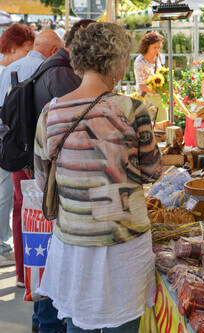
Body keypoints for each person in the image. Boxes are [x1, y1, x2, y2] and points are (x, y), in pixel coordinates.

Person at [34, 22, 162, 332]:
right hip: (123, 242)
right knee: (124, 325)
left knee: (78, 324)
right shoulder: (131, 109)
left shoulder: (50, 113)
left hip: (73, 241)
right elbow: (152, 171)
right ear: (118, 64)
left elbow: (42, 181)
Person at [30, 19, 93, 333]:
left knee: (55, 262)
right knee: (61, 265)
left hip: (56, 189)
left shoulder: (54, 67)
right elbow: (80, 137)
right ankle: (49, 324)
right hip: (69, 196)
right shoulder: (64, 75)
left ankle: (45, 323)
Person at [0, 30, 63, 287]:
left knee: (20, 207)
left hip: (15, 150)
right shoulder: (52, 71)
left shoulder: (9, 69)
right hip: (42, 154)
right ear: (52, 51)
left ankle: (22, 274)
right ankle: (42, 276)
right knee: (45, 211)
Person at [0, 23, 36, 266]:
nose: (29, 55)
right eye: (27, 50)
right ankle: (2, 247)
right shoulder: (7, 71)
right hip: (5, 141)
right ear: (13, 48)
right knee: (5, 194)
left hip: (6, 140)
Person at [134, 31, 167, 121]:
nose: (157, 50)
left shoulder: (158, 57)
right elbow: (143, 86)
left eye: (159, 47)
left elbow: (162, 74)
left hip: (158, 97)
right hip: (147, 99)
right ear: (147, 46)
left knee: (163, 124)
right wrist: (159, 90)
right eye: (155, 47)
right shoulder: (140, 62)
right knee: (151, 128)